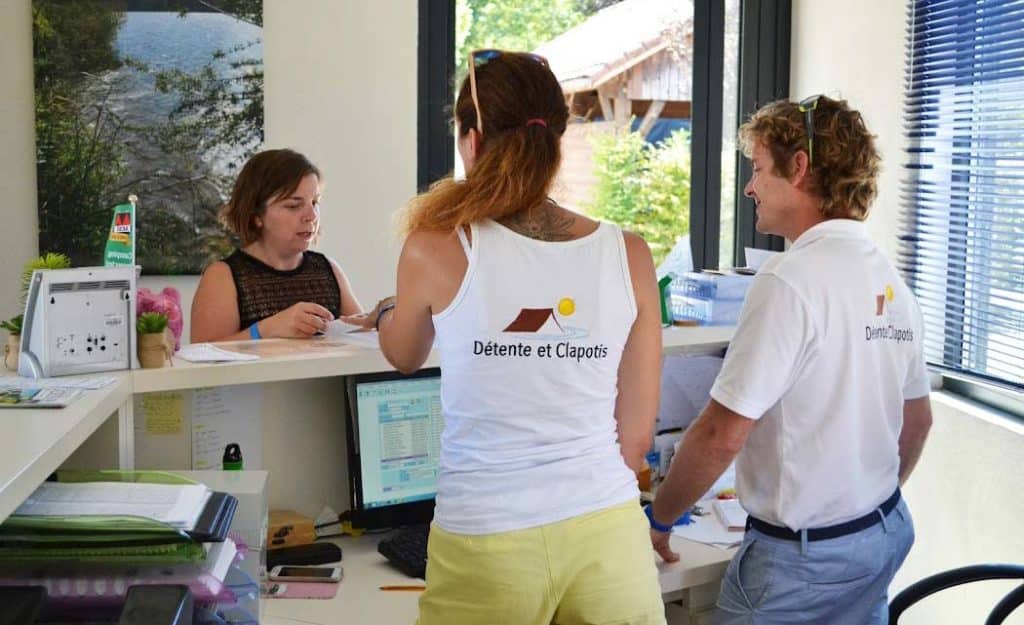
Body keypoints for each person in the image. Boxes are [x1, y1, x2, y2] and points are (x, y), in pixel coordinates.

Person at [345, 50, 666, 625]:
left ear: (471, 139)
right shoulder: (631, 253)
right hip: (609, 534)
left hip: (487, 539)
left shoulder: (436, 244)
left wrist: (395, 307)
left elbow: (403, 353)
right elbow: (637, 437)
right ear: (557, 139)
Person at [647, 95, 933, 625]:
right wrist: (857, 506)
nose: (751, 187)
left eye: (757, 170)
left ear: (798, 168)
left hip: (800, 565)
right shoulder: (889, 279)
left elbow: (720, 435)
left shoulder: (788, 280)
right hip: (880, 533)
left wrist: (660, 518)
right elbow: (917, 423)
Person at [191, 148, 363, 343]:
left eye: (315, 202)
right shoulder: (222, 276)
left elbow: (364, 340)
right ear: (256, 216)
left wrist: (382, 317)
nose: (312, 216)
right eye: (293, 205)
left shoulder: (329, 269)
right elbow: (204, 361)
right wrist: (266, 329)